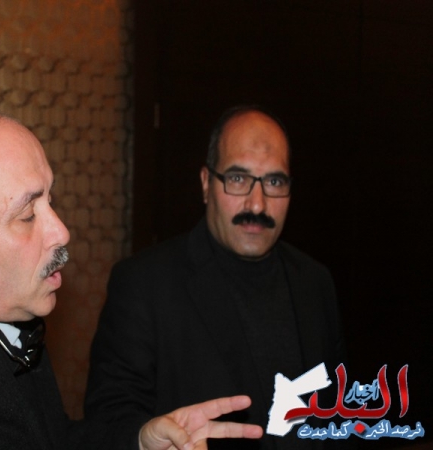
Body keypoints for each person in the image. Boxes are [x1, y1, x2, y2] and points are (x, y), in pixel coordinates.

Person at [0, 106, 263, 449]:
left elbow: (46, 438)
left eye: (50, 201)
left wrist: (138, 440)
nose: (61, 231)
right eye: (27, 215)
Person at [85, 106, 346, 449]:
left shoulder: (315, 282)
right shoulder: (143, 284)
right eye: (238, 179)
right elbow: (107, 424)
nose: (257, 205)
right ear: (207, 184)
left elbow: (336, 416)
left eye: (274, 182)